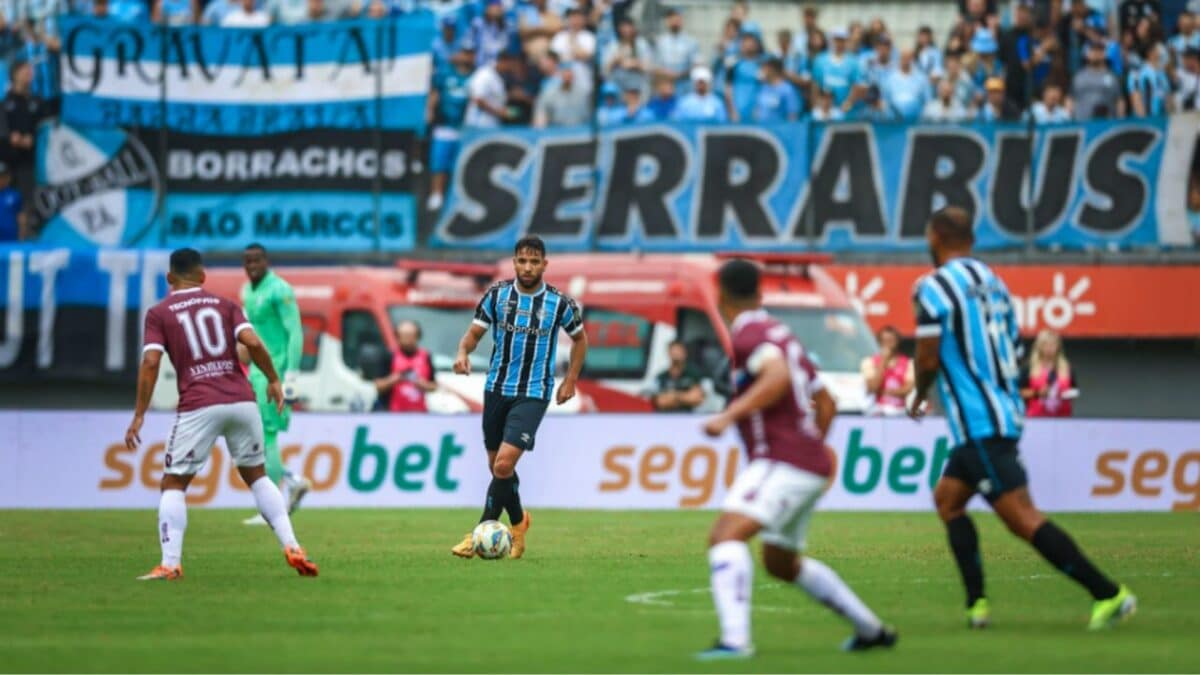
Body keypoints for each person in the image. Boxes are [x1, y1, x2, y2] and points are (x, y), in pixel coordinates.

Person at [909, 206, 1135, 631]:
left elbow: (927, 355)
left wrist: (921, 393)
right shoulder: (996, 285)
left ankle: (1109, 593)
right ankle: (976, 605)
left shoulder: (932, 287)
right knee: (948, 500)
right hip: (1003, 412)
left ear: (935, 236)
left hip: (978, 422)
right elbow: (1012, 351)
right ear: (971, 240)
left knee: (1023, 519)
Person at [695, 259, 896, 660]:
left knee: (725, 537)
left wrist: (728, 415)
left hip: (782, 460)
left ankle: (735, 642)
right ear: (760, 292)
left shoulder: (749, 334)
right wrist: (812, 446)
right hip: (806, 462)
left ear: (720, 294)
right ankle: (871, 630)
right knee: (780, 562)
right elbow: (828, 401)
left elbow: (776, 378)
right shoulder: (781, 333)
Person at [125, 248, 318, 581]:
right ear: (203, 277)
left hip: (199, 402)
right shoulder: (227, 305)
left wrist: (140, 413)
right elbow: (254, 344)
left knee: (174, 482)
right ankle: (293, 546)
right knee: (257, 476)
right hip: (242, 400)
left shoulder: (159, 313)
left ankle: (170, 563)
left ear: (170, 278)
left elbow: (151, 362)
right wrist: (274, 378)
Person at [449, 236, 588, 560]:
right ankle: (518, 521)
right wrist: (462, 352)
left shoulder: (560, 303)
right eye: (522, 261)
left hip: (533, 392)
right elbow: (473, 335)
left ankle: (478, 533)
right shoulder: (497, 296)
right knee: (497, 468)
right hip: (496, 389)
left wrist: (570, 380)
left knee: (503, 465)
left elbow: (580, 341)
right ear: (514, 263)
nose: (528, 267)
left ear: (544, 265)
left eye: (534, 261)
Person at [240, 244, 312, 525]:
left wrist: (291, 376)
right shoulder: (247, 291)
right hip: (256, 372)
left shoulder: (280, 290)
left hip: (276, 373)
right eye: (247, 261)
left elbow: (295, 332)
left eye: (257, 260)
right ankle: (291, 482)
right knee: (256, 435)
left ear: (266, 261)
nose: (252, 265)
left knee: (266, 435)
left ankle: (271, 508)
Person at [426, 44, 474, 212]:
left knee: (461, 165)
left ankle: (456, 198)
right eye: (464, 52)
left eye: (470, 54)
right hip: (445, 124)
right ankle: (436, 194)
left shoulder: (476, 76)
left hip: (465, 127)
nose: (467, 57)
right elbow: (434, 93)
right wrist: (430, 110)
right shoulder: (446, 73)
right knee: (439, 161)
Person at [376, 320, 437, 413]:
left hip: (419, 412)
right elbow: (378, 386)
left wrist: (422, 384)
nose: (408, 339)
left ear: (417, 337)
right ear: (398, 337)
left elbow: (434, 386)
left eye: (410, 336)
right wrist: (396, 378)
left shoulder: (425, 356)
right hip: (393, 413)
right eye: (404, 336)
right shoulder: (390, 356)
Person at [860, 326, 913, 416]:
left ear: (897, 341)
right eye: (884, 341)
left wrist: (885, 392)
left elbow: (907, 389)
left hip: (899, 412)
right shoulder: (869, 362)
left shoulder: (908, 363)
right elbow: (873, 387)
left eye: (891, 340)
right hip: (877, 410)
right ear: (879, 342)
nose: (887, 344)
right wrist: (883, 361)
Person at [1021, 329, 1075, 417]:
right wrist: (1038, 393)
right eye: (1046, 345)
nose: (1049, 348)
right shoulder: (1029, 367)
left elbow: (1074, 389)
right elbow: (1019, 392)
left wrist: (1062, 393)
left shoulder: (1066, 368)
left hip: (1063, 418)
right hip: (1036, 418)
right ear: (1039, 347)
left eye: (1053, 345)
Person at [533, 59, 593, 128]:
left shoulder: (584, 93)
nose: (567, 76)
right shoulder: (549, 93)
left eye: (570, 73)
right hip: (557, 133)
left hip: (580, 133)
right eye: (565, 72)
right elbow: (540, 115)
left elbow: (591, 117)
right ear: (560, 74)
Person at [1073, 41, 1125, 119]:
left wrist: (1120, 119)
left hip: (1107, 125)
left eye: (1099, 50)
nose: (1096, 54)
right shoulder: (1078, 77)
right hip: (1084, 125)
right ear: (1088, 54)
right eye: (1093, 50)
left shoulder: (1113, 77)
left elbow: (1120, 101)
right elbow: (1070, 99)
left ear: (1104, 54)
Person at [649, 341, 705, 413]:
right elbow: (661, 402)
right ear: (668, 353)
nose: (676, 354)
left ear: (685, 353)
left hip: (687, 417)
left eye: (678, 351)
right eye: (673, 351)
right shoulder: (661, 377)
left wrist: (674, 396)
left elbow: (696, 399)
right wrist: (685, 397)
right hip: (664, 418)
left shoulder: (693, 374)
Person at [654, 6, 700, 93]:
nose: (675, 22)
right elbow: (655, 66)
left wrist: (680, 74)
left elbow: (696, 65)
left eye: (677, 19)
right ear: (667, 21)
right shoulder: (660, 42)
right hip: (665, 87)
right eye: (672, 19)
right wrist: (667, 74)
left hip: (685, 86)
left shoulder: (691, 42)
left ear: (682, 20)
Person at [752, 57, 802, 122]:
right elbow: (757, 110)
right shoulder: (763, 88)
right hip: (761, 130)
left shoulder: (788, 90)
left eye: (764, 68)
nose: (761, 70)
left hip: (777, 130)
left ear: (772, 69)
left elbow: (792, 115)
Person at [0, 161, 25, 242]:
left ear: (8, 177)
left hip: (11, 238)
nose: (1, 179)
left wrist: (22, 236)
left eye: (3, 176)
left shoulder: (15, 195)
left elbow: (21, 217)